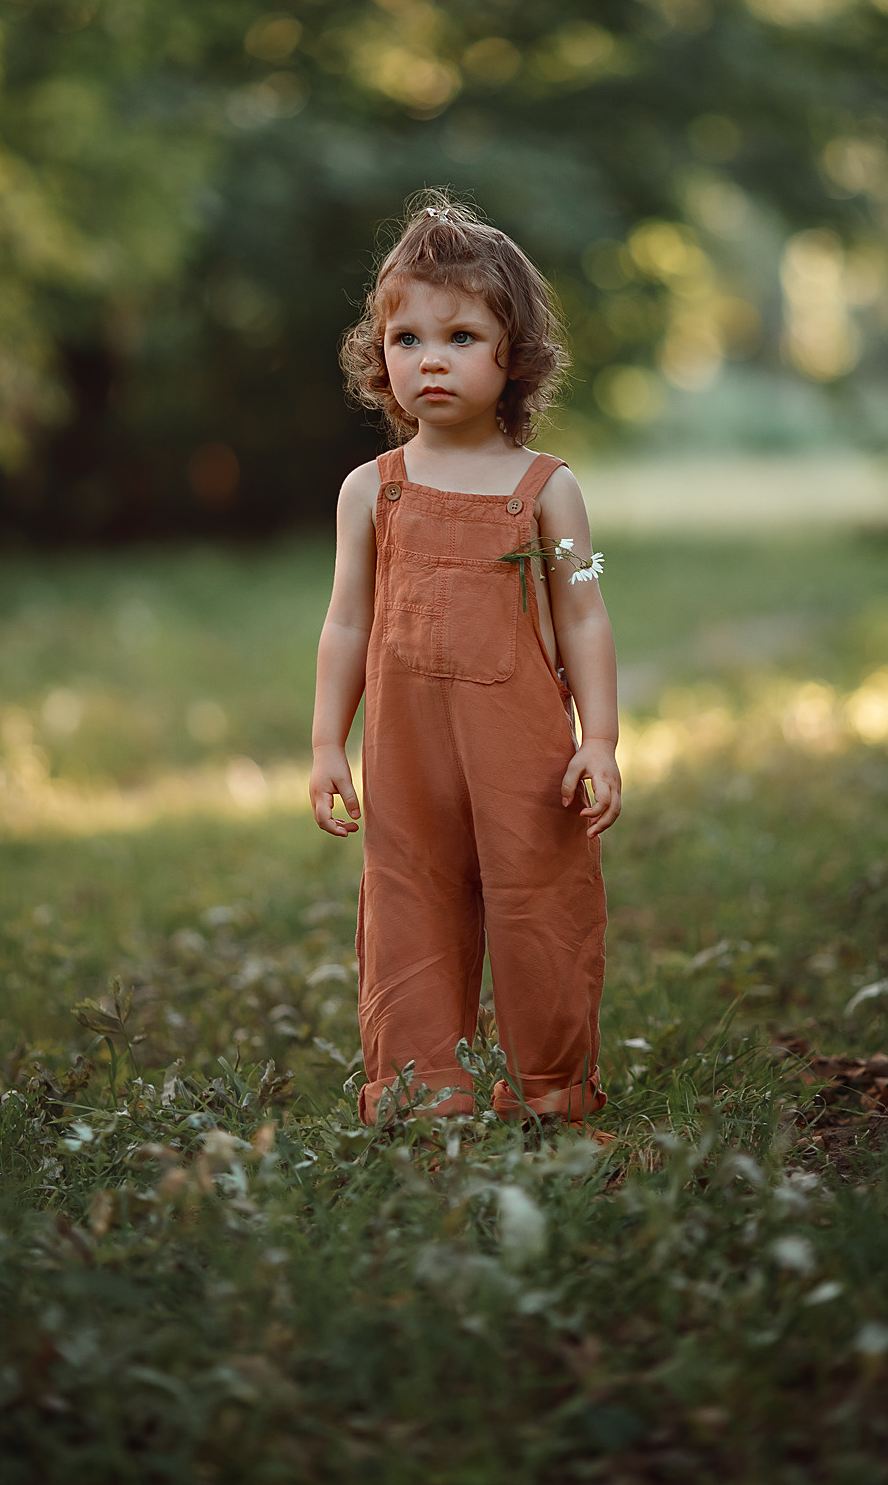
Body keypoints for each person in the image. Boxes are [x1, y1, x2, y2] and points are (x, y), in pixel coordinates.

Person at [310, 192, 621, 1128]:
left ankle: (550, 1089)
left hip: (523, 751)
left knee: (541, 903)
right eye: (406, 339)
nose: (431, 359)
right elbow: (346, 624)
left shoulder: (552, 492)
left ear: (512, 356)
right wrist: (329, 743)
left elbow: (588, 609)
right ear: (381, 359)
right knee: (408, 904)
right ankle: (419, 1092)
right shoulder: (370, 492)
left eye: (461, 337)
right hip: (408, 759)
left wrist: (599, 738)